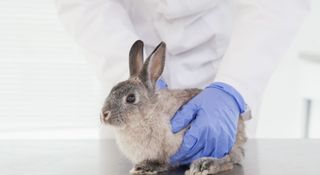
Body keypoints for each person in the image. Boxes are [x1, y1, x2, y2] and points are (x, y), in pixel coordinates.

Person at [55, 0, 309, 165]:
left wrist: (233, 86)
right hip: (132, 60)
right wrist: (135, 82)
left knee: (223, 166)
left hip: (221, 63)